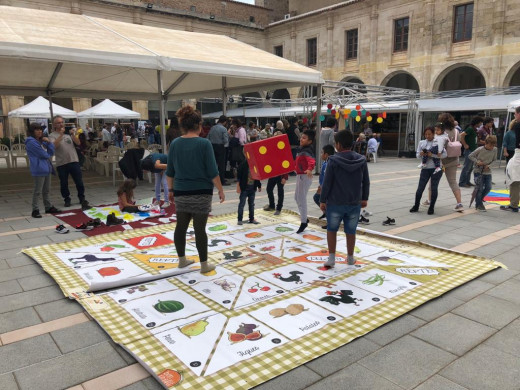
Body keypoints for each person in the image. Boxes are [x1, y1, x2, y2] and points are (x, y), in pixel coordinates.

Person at [166, 106, 225, 274]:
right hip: (202, 192)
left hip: (181, 192)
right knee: (200, 230)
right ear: (199, 125)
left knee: (180, 227)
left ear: (183, 126)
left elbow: (170, 171)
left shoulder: (175, 144)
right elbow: (213, 172)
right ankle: (204, 264)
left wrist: (170, 190)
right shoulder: (204, 143)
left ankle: (182, 260)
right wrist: (220, 190)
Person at [320, 130, 370, 268]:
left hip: (335, 203)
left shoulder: (333, 160)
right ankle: (350, 257)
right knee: (351, 231)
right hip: (354, 203)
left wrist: (323, 200)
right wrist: (365, 197)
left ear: (338, 145)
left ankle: (331, 258)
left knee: (332, 229)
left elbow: (327, 182)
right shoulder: (361, 160)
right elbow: (366, 181)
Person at [49, 115, 91, 210]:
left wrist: (73, 134)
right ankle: (66, 199)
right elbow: (54, 146)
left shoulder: (68, 134)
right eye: (58, 123)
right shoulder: (52, 135)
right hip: (62, 163)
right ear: (54, 125)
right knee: (64, 183)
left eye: (62, 122)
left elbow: (78, 143)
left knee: (79, 181)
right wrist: (61, 135)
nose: (60, 124)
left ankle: (82, 198)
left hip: (74, 160)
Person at [25, 123, 60, 218]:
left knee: (46, 190)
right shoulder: (31, 142)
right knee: (37, 190)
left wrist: (48, 142)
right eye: (37, 130)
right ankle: (35, 210)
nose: (39, 131)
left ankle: (48, 207)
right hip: (38, 168)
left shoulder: (41, 141)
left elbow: (52, 151)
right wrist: (48, 154)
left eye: (40, 129)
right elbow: (44, 154)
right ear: (32, 131)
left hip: (47, 167)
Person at [410, 127, 445, 215]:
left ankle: (431, 207)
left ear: (433, 134)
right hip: (425, 168)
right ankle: (416, 205)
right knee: (420, 188)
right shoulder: (422, 142)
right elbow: (417, 155)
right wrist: (421, 154)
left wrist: (432, 154)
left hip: (436, 168)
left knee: (434, 188)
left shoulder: (438, 142)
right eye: (426, 134)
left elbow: (444, 155)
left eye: (429, 134)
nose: (427, 136)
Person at [438, 113, 464, 212]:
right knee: (453, 182)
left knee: (433, 181)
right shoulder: (457, 131)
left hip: (441, 160)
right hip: (454, 159)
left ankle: (429, 200)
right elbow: (459, 141)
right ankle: (459, 203)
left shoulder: (441, 132)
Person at [294, 130, 316, 233]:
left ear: (310, 141)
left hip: (305, 176)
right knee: (296, 198)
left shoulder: (307, 150)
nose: (301, 139)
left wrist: (310, 169)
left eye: (304, 138)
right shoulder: (301, 149)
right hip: (300, 175)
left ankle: (303, 222)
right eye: (301, 137)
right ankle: (304, 218)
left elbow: (311, 161)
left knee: (301, 199)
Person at [469, 135, 497, 211]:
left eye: (493, 145)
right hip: (478, 171)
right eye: (491, 145)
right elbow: (470, 156)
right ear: (486, 143)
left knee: (488, 187)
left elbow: (495, 160)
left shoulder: (495, 150)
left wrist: (489, 166)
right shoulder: (480, 149)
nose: (492, 147)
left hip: (488, 171)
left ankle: (479, 200)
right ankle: (479, 205)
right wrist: (477, 161)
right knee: (480, 188)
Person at [263, 131, 288, 216]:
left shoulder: (283, 149)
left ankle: (279, 208)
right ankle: (272, 205)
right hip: (273, 173)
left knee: (280, 191)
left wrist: (285, 177)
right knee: (269, 189)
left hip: (281, 174)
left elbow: (286, 164)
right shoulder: (272, 148)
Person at [313, 144, 335, 227]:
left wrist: (322, 187)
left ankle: (330, 221)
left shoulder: (328, 164)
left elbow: (327, 178)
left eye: (322, 152)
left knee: (324, 202)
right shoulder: (326, 162)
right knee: (317, 198)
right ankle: (326, 214)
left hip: (326, 188)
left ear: (326, 154)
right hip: (323, 186)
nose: (321, 154)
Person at [236, 154, 261, 225]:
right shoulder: (243, 165)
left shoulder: (255, 165)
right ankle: (239, 219)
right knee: (242, 204)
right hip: (244, 188)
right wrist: (238, 186)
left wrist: (259, 185)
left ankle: (251, 218)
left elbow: (257, 176)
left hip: (252, 188)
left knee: (251, 204)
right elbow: (239, 177)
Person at [459, 116, 483, 187]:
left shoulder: (474, 129)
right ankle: (462, 182)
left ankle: (467, 181)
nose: (480, 124)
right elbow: (461, 135)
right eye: (480, 123)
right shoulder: (470, 128)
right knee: (466, 167)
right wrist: (465, 144)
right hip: (469, 150)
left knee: (470, 167)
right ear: (477, 122)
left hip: (473, 150)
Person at [207, 115, 230, 186]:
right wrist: (226, 147)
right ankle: (221, 180)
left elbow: (208, 137)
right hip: (221, 147)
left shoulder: (212, 128)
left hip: (212, 146)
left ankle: (212, 179)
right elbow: (226, 140)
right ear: (225, 122)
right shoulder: (224, 129)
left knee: (213, 164)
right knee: (221, 165)